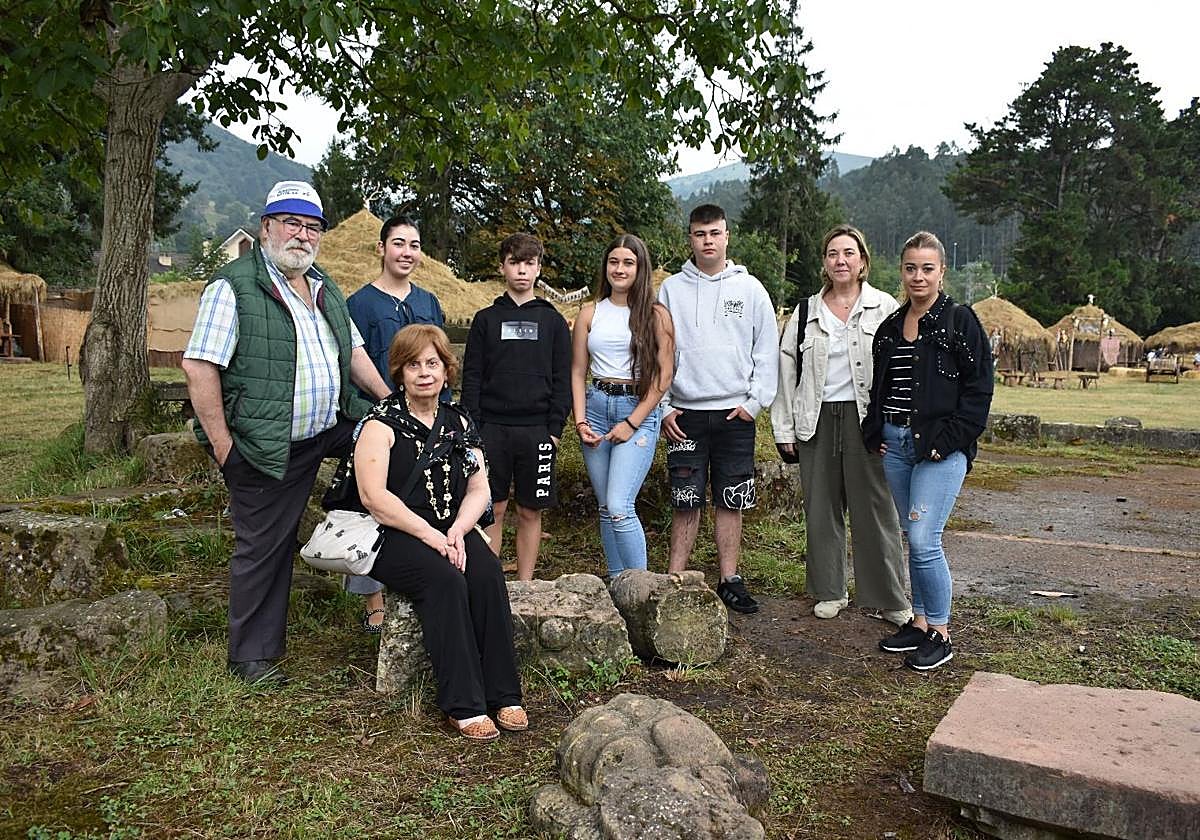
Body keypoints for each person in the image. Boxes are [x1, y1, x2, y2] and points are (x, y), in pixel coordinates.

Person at [182, 181, 390, 686]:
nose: (302, 235)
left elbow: (354, 353)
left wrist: (392, 406)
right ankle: (251, 657)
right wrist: (224, 447)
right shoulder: (233, 287)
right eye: (291, 224)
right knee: (265, 546)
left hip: (328, 427)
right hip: (266, 440)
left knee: (396, 457)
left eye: (312, 226)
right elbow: (199, 367)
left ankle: (388, 592)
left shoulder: (322, 285)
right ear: (267, 228)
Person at [352, 325, 525, 741]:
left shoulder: (459, 422)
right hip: (395, 533)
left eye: (433, 363)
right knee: (445, 580)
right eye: (414, 365)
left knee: (485, 573)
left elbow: (480, 487)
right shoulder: (379, 423)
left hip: (451, 526)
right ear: (399, 373)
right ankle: (462, 703)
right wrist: (433, 537)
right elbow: (373, 497)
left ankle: (503, 693)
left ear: (447, 371)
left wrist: (459, 530)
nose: (424, 373)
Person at [862, 231, 994, 671]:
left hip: (940, 449)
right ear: (901, 271)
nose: (918, 276)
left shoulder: (960, 322)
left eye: (927, 268)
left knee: (923, 538)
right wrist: (873, 428)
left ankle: (941, 631)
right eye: (911, 268)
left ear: (942, 272)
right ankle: (918, 623)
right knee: (910, 537)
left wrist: (948, 441)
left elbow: (978, 394)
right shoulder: (890, 329)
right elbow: (880, 388)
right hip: (896, 445)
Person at [771, 225, 910, 625]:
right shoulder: (805, 313)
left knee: (876, 509)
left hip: (867, 420)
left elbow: (900, 370)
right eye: (833, 254)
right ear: (824, 264)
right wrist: (784, 430)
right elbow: (786, 374)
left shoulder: (884, 308)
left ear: (863, 261)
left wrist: (894, 424)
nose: (841, 260)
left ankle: (889, 597)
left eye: (849, 253)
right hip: (815, 419)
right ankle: (830, 590)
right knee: (821, 509)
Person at [658, 204, 778, 614]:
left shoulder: (751, 290)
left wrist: (754, 403)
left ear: (727, 236)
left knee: (732, 498)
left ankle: (730, 578)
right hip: (684, 415)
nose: (707, 241)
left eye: (714, 233)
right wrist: (663, 406)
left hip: (734, 415)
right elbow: (658, 352)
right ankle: (675, 578)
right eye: (699, 234)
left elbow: (766, 352)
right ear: (689, 239)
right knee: (685, 497)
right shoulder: (671, 289)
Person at [346, 214, 447, 632]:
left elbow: (440, 360)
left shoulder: (428, 302)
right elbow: (353, 364)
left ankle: (428, 580)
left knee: (427, 499)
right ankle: (374, 601)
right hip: (378, 417)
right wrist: (384, 405)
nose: (407, 252)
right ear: (381, 248)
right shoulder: (360, 303)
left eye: (415, 245)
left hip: (427, 418)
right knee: (372, 503)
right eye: (399, 243)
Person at [461, 233, 571, 581]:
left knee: (529, 510)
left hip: (537, 431)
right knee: (491, 507)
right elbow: (473, 378)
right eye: (514, 262)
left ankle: (525, 583)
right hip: (491, 430)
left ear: (539, 268)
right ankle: (490, 581)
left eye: (529, 263)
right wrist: (473, 431)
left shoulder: (553, 322)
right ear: (502, 267)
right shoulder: (486, 320)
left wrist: (554, 430)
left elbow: (563, 379)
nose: (521, 270)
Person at [571, 234, 675, 578]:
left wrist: (632, 422)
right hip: (597, 407)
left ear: (640, 268)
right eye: (613, 261)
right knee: (605, 507)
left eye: (628, 262)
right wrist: (580, 420)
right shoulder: (589, 312)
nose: (619, 268)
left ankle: (642, 590)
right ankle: (618, 583)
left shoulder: (657, 315)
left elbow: (664, 375)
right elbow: (577, 370)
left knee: (619, 505)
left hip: (638, 410)